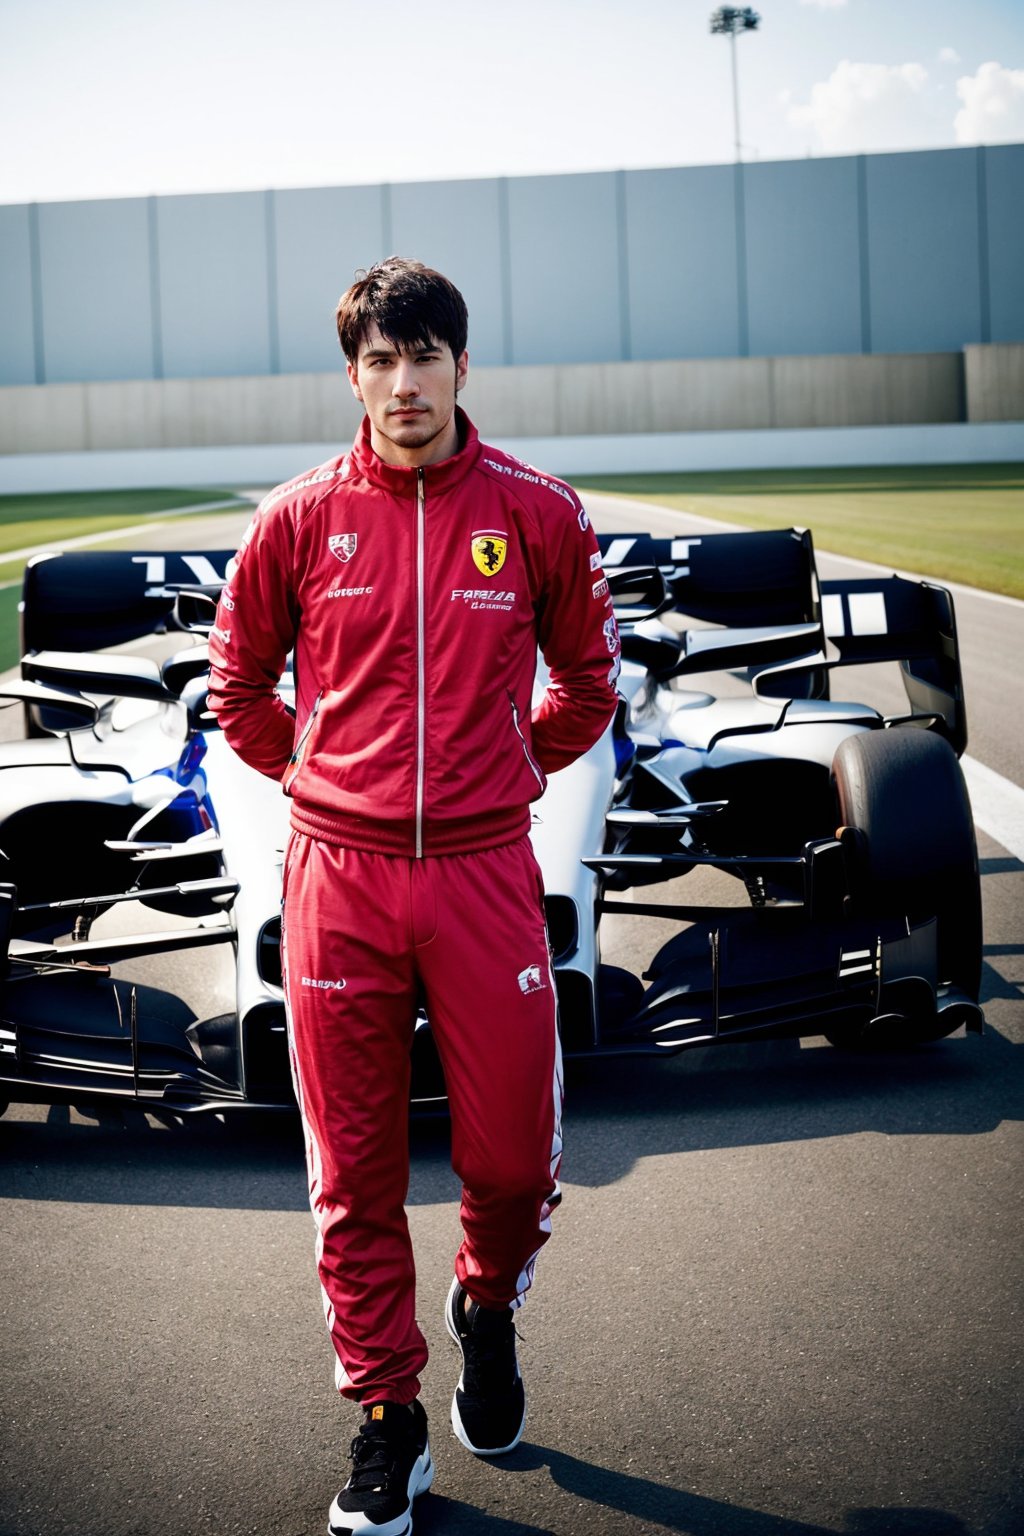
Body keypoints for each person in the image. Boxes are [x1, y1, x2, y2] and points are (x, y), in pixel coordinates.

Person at [207, 257, 620, 1536]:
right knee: (356, 1173)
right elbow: (238, 692)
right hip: (339, 874)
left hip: (489, 869)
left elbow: (587, 684)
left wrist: (497, 777)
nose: (401, 383)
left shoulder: (537, 513)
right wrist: (331, 786)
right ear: (353, 376)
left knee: (506, 1164)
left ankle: (487, 1301)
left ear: (459, 363)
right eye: (377, 362)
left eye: (422, 355)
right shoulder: (295, 519)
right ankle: (387, 1418)